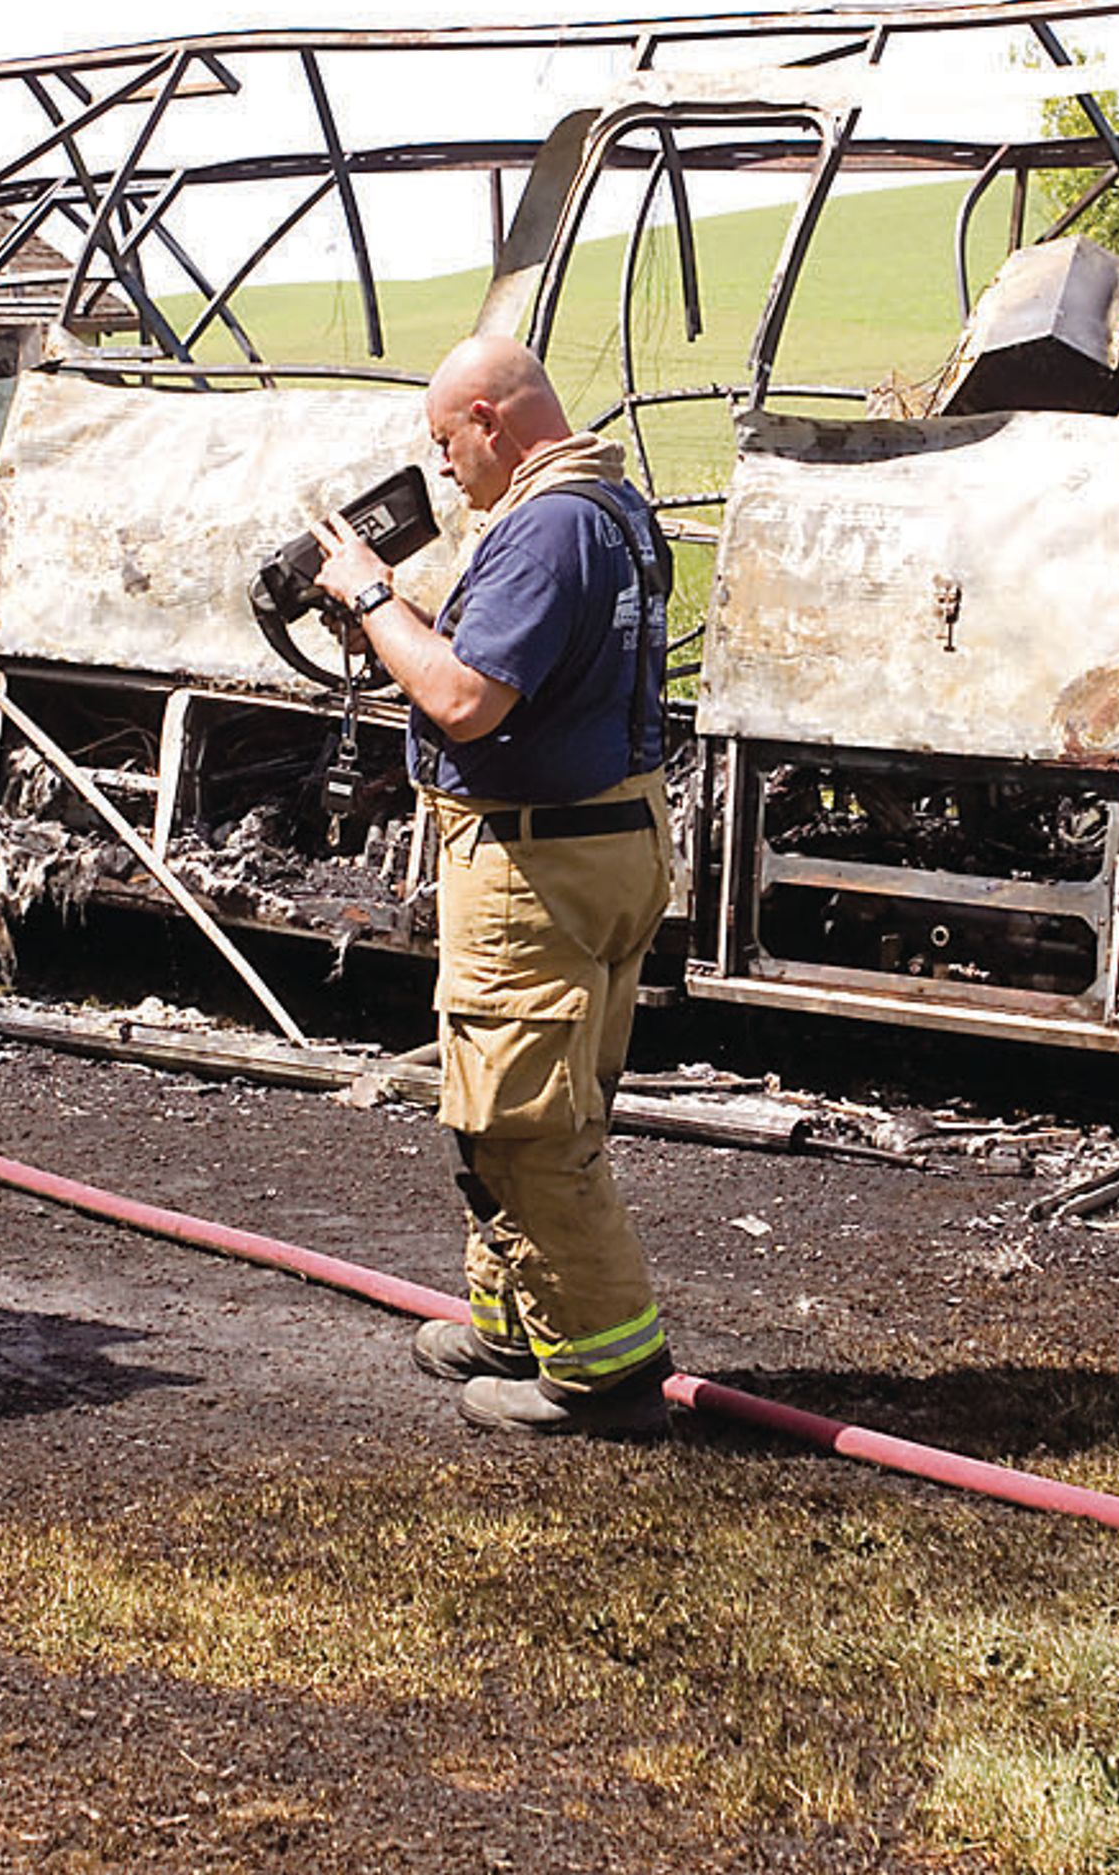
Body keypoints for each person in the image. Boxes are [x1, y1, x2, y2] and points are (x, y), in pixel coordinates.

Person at [307, 333, 676, 1439]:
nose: (444, 468)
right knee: (513, 1097)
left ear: (491, 422)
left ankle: (607, 1374)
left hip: (538, 863)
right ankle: (517, 1322)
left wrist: (374, 600)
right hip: (606, 841)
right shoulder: (614, 510)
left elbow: (467, 701)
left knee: (523, 1119)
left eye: (445, 442)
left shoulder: (549, 526)